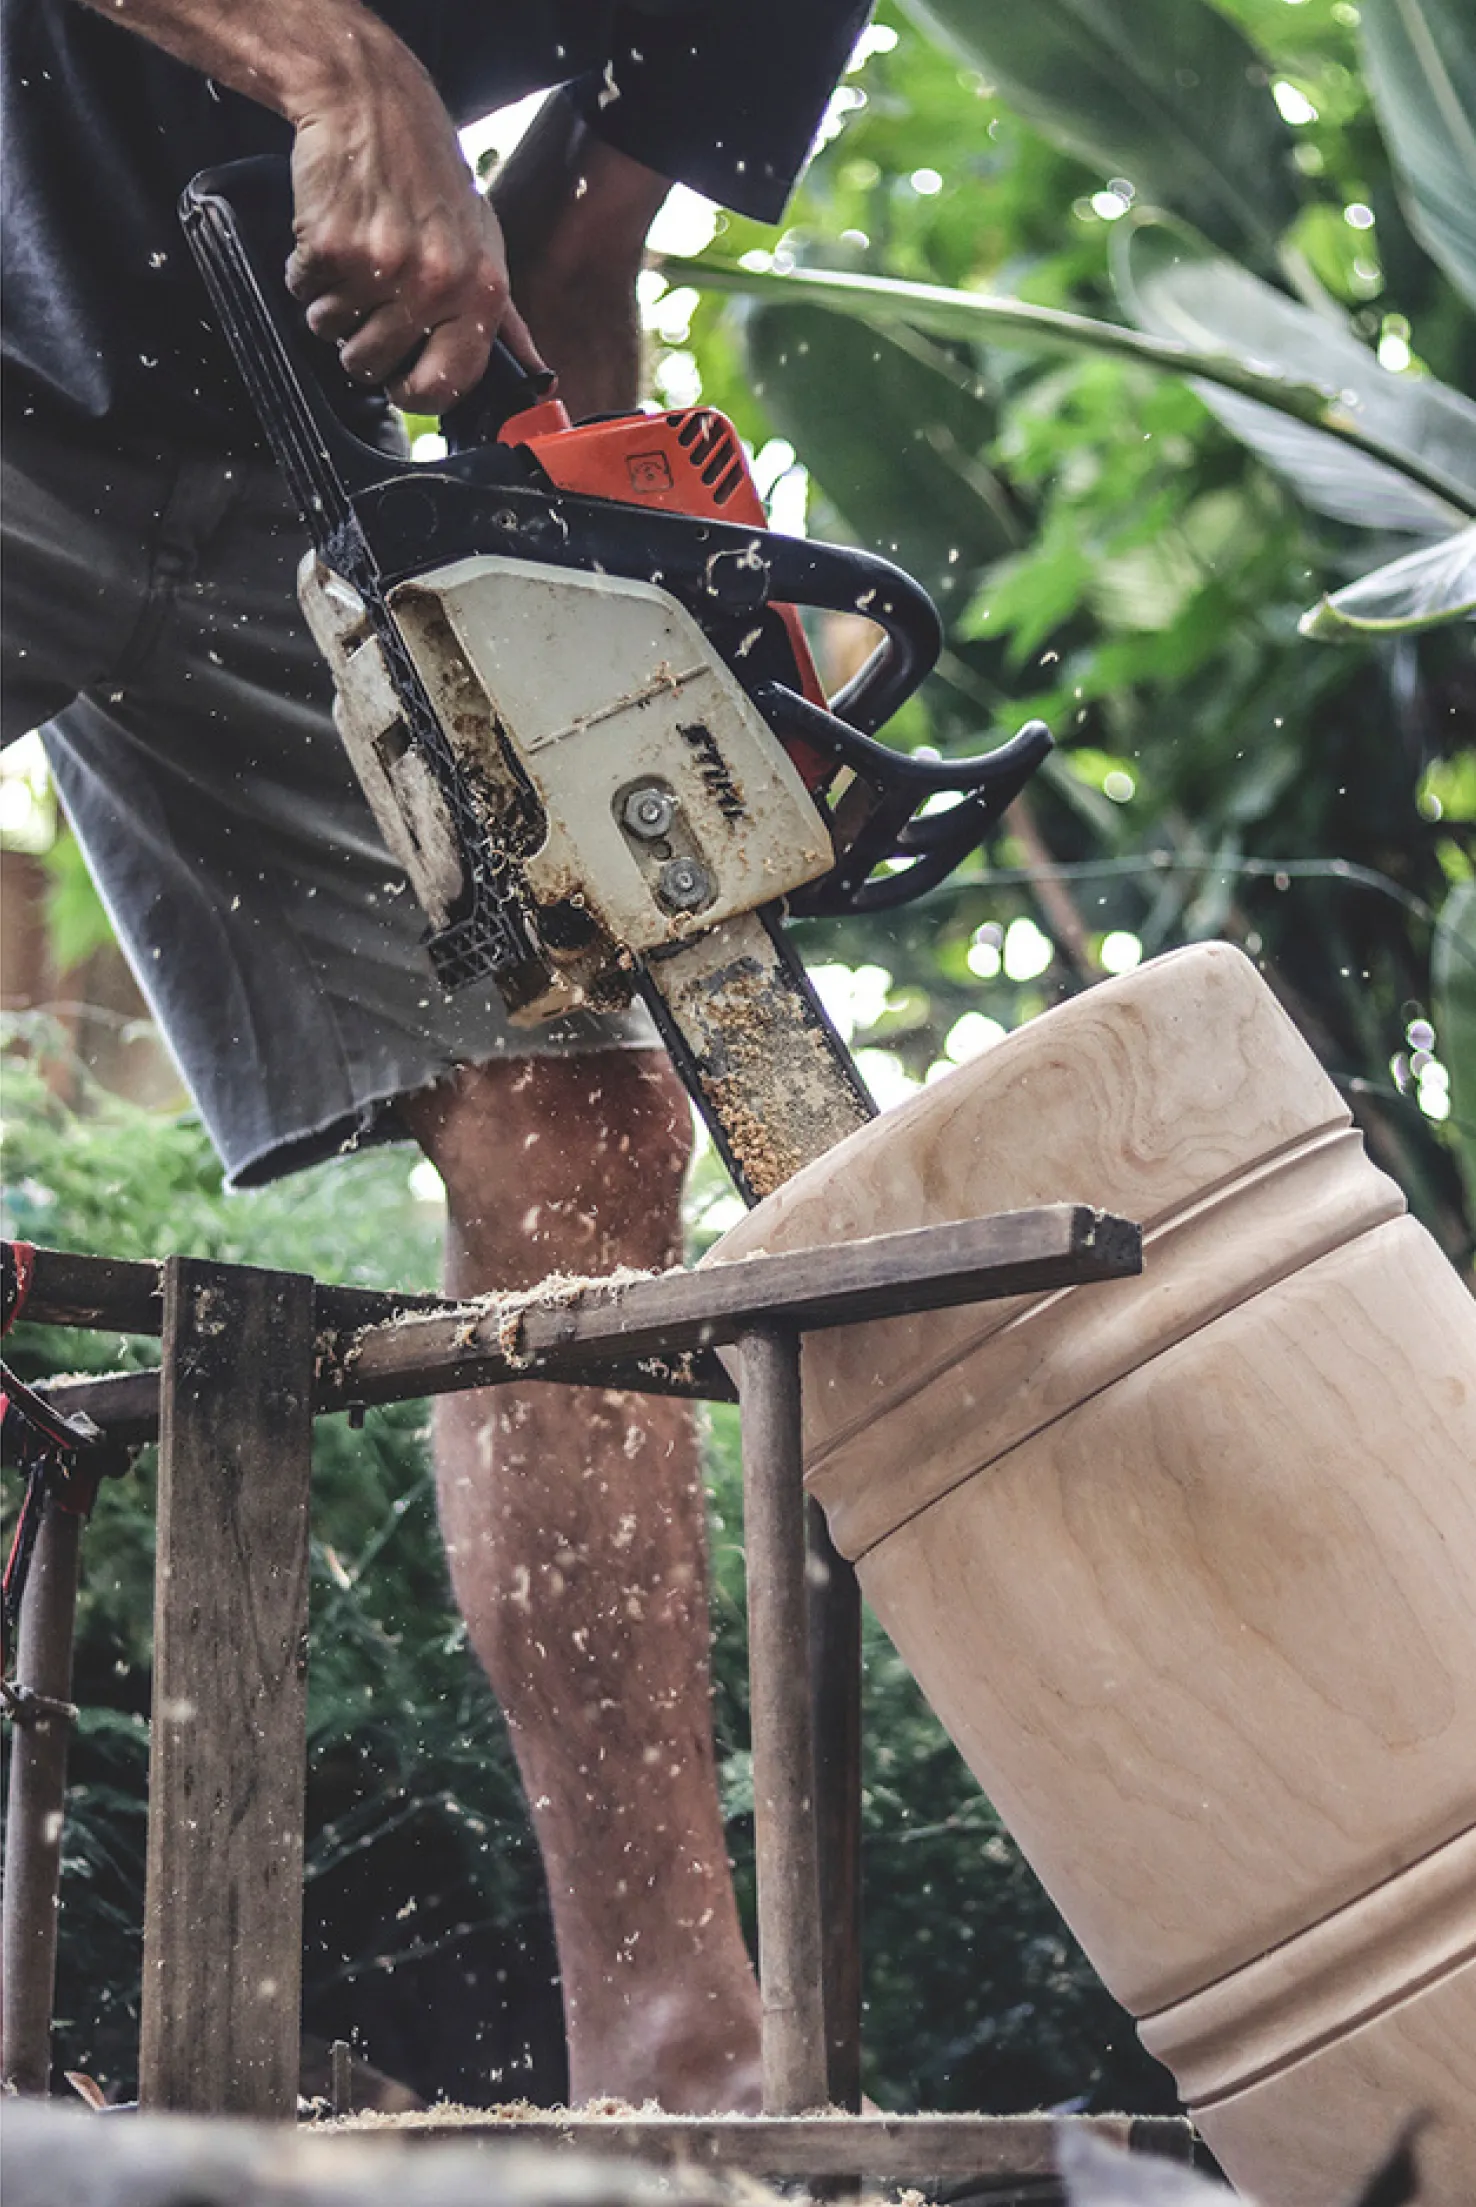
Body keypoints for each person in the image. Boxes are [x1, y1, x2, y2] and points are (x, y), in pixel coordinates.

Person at [2, 0, 867, 2112]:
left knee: (577, 1089)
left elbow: (566, 260)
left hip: (276, 449)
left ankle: (676, 2048)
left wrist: (626, 608)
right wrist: (324, 57)